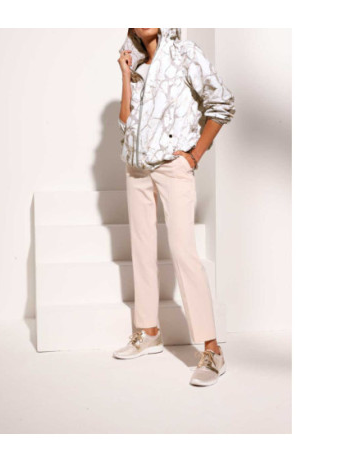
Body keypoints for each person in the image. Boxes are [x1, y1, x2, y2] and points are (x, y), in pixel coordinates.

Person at [113, 28, 235, 387]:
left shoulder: (184, 53)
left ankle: (212, 350)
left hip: (172, 166)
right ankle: (148, 331)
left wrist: (195, 154)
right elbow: (125, 123)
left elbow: (221, 103)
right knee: (142, 251)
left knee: (184, 252)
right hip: (135, 169)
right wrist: (125, 76)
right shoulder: (136, 66)